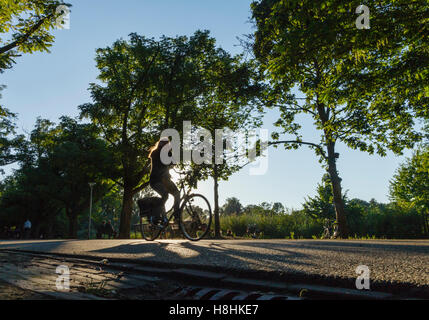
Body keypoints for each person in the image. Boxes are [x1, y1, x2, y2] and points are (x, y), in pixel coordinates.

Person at [148, 137, 180, 222]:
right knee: (165, 195)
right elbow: (162, 163)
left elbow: (173, 162)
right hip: (156, 180)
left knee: (177, 193)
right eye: (164, 144)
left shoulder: (168, 153)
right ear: (160, 144)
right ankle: (156, 215)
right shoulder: (155, 153)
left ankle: (177, 216)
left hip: (166, 180)